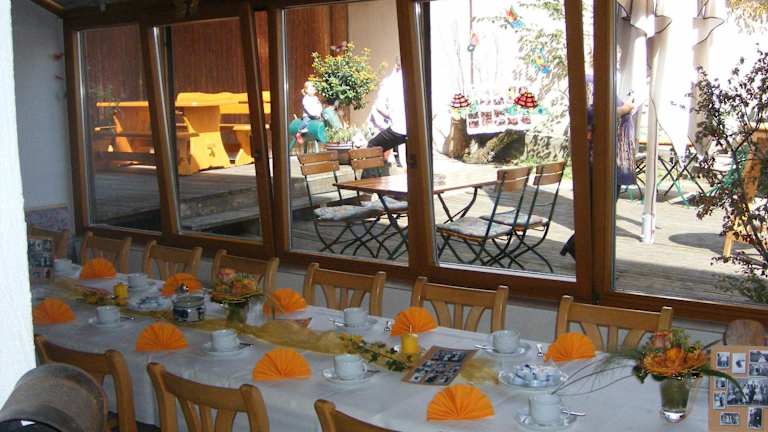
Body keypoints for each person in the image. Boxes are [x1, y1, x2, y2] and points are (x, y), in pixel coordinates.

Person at [560, 74, 635, 259]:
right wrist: (624, 109)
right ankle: (579, 247)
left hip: (611, 162)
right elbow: (593, 116)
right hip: (595, 163)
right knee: (598, 210)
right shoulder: (593, 105)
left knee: (602, 211)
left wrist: (624, 108)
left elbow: (601, 115)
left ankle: (578, 246)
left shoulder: (612, 99)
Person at [364, 65, 407, 176]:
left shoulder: (390, 82)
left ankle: (370, 181)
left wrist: (391, 116)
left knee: (373, 146)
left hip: (398, 127)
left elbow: (379, 107)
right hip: (412, 129)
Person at [296, 81, 323, 145]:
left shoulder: (315, 98)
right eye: (310, 89)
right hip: (308, 115)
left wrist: (318, 112)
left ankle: (318, 136)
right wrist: (312, 113)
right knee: (305, 122)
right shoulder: (306, 98)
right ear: (306, 90)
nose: (312, 90)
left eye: (313, 89)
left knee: (320, 123)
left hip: (316, 115)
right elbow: (307, 107)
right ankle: (299, 132)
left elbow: (319, 105)